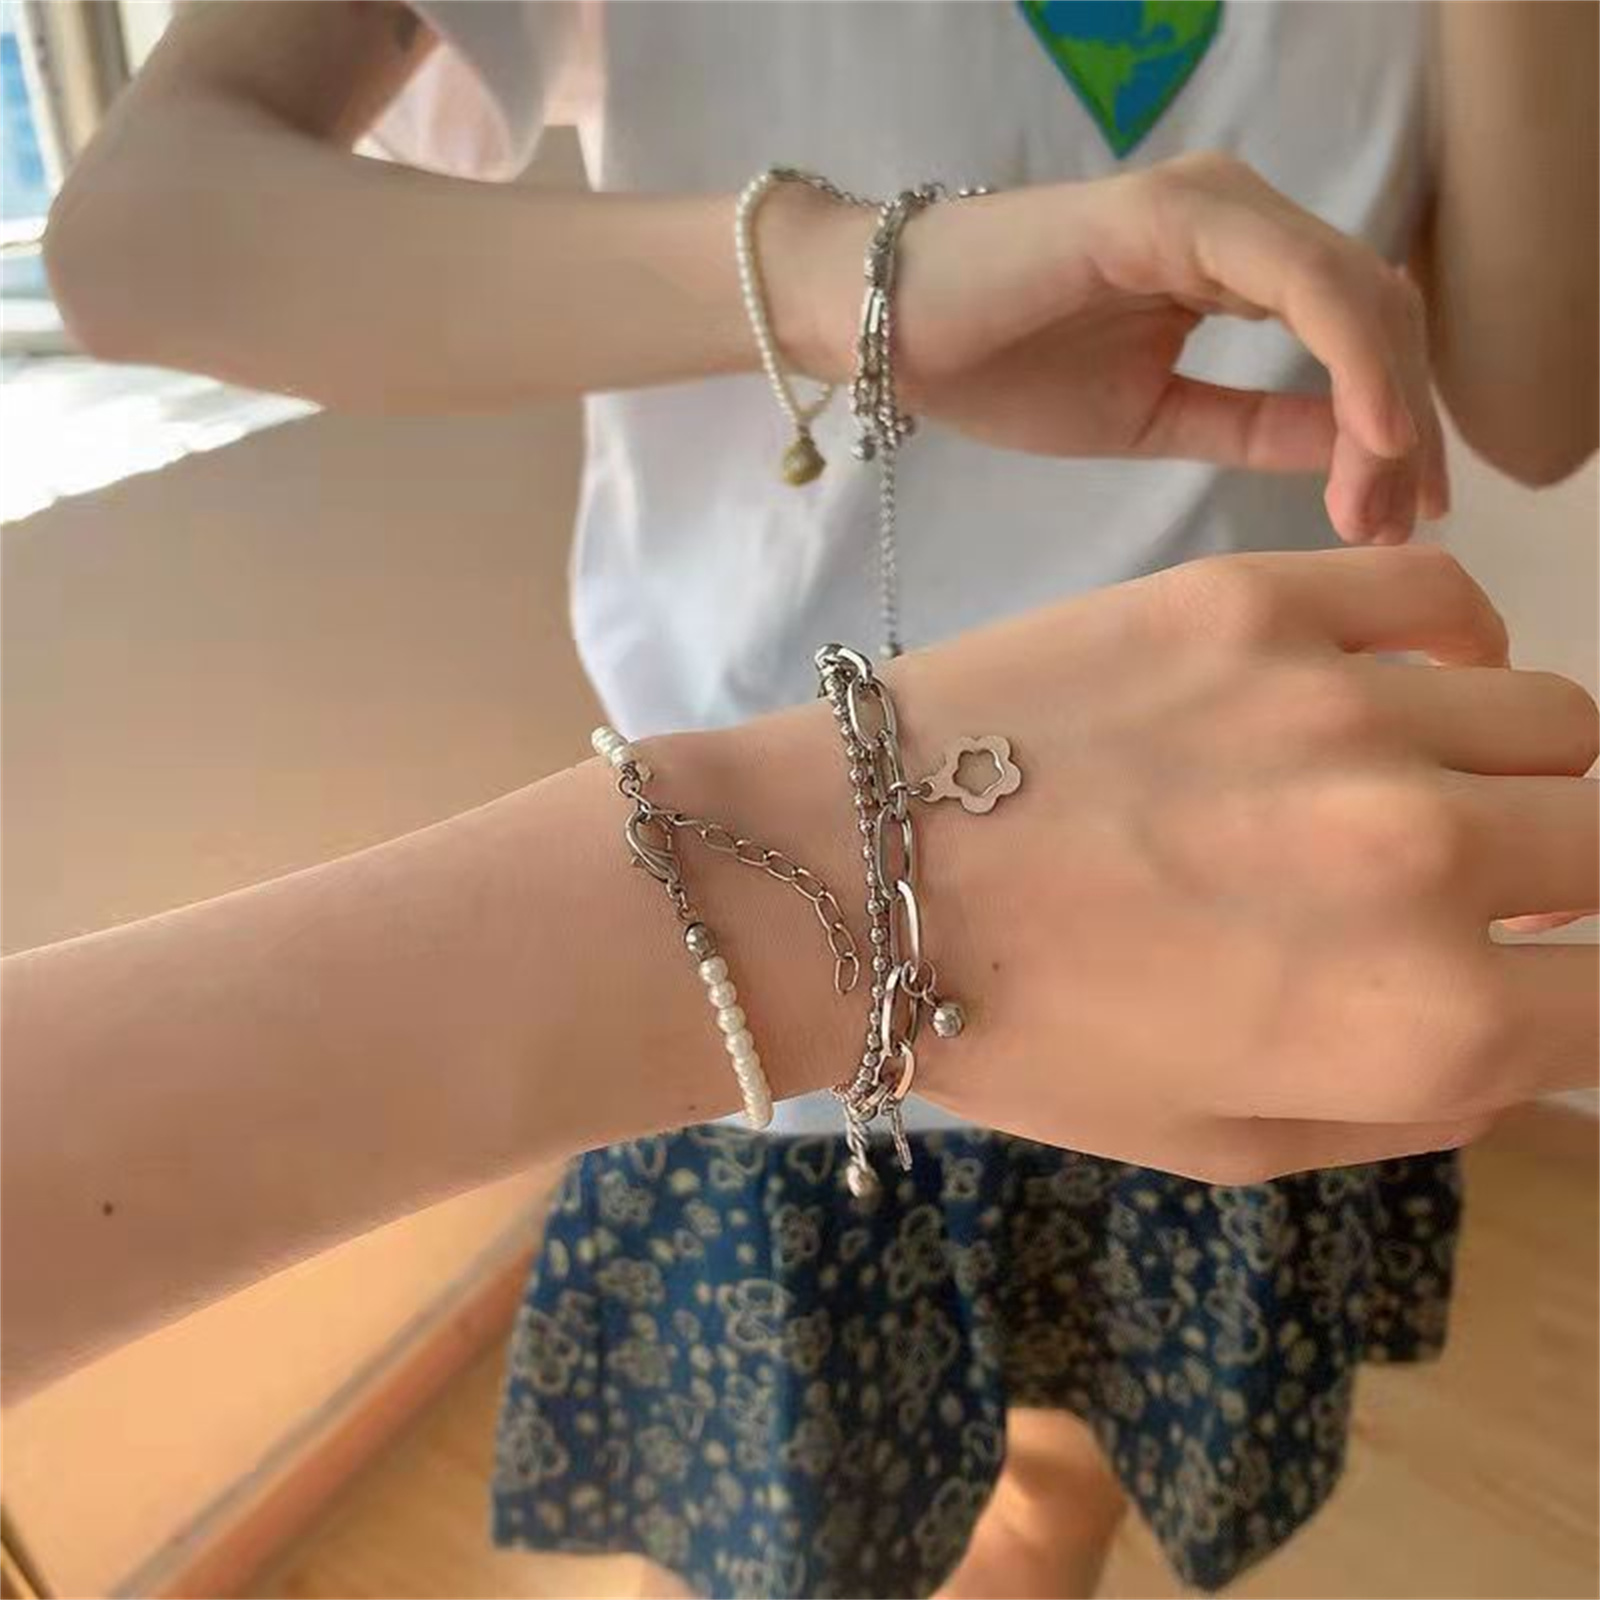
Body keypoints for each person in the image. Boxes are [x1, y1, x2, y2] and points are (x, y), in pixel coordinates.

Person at [32, 1, 1597, 1595]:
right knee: (799, 1518)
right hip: (776, 969)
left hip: (1262, 873)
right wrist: (850, 277)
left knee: (1076, 1448)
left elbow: (1538, 408)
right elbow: (147, 233)